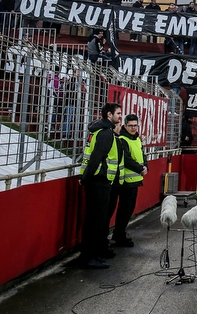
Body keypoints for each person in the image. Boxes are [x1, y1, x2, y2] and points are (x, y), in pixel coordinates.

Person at [79, 102, 123, 269]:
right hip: (100, 182)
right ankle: (91, 256)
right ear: (109, 115)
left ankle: (89, 254)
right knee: (96, 222)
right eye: (118, 113)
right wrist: (86, 178)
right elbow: (96, 158)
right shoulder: (105, 133)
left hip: (96, 181)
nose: (120, 116)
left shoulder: (97, 131)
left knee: (93, 220)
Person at [108, 114, 148, 247]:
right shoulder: (122, 139)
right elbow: (127, 159)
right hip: (125, 181)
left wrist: (146, 166)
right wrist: (140, 168)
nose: (133, 128)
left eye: (135, 125)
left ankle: (120, 233)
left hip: (135, 179)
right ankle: (119, 235)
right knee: (124, 209)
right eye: (130, 126)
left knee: (129, 209)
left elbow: (142, 154)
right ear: (125, 126)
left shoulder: (136, 139)